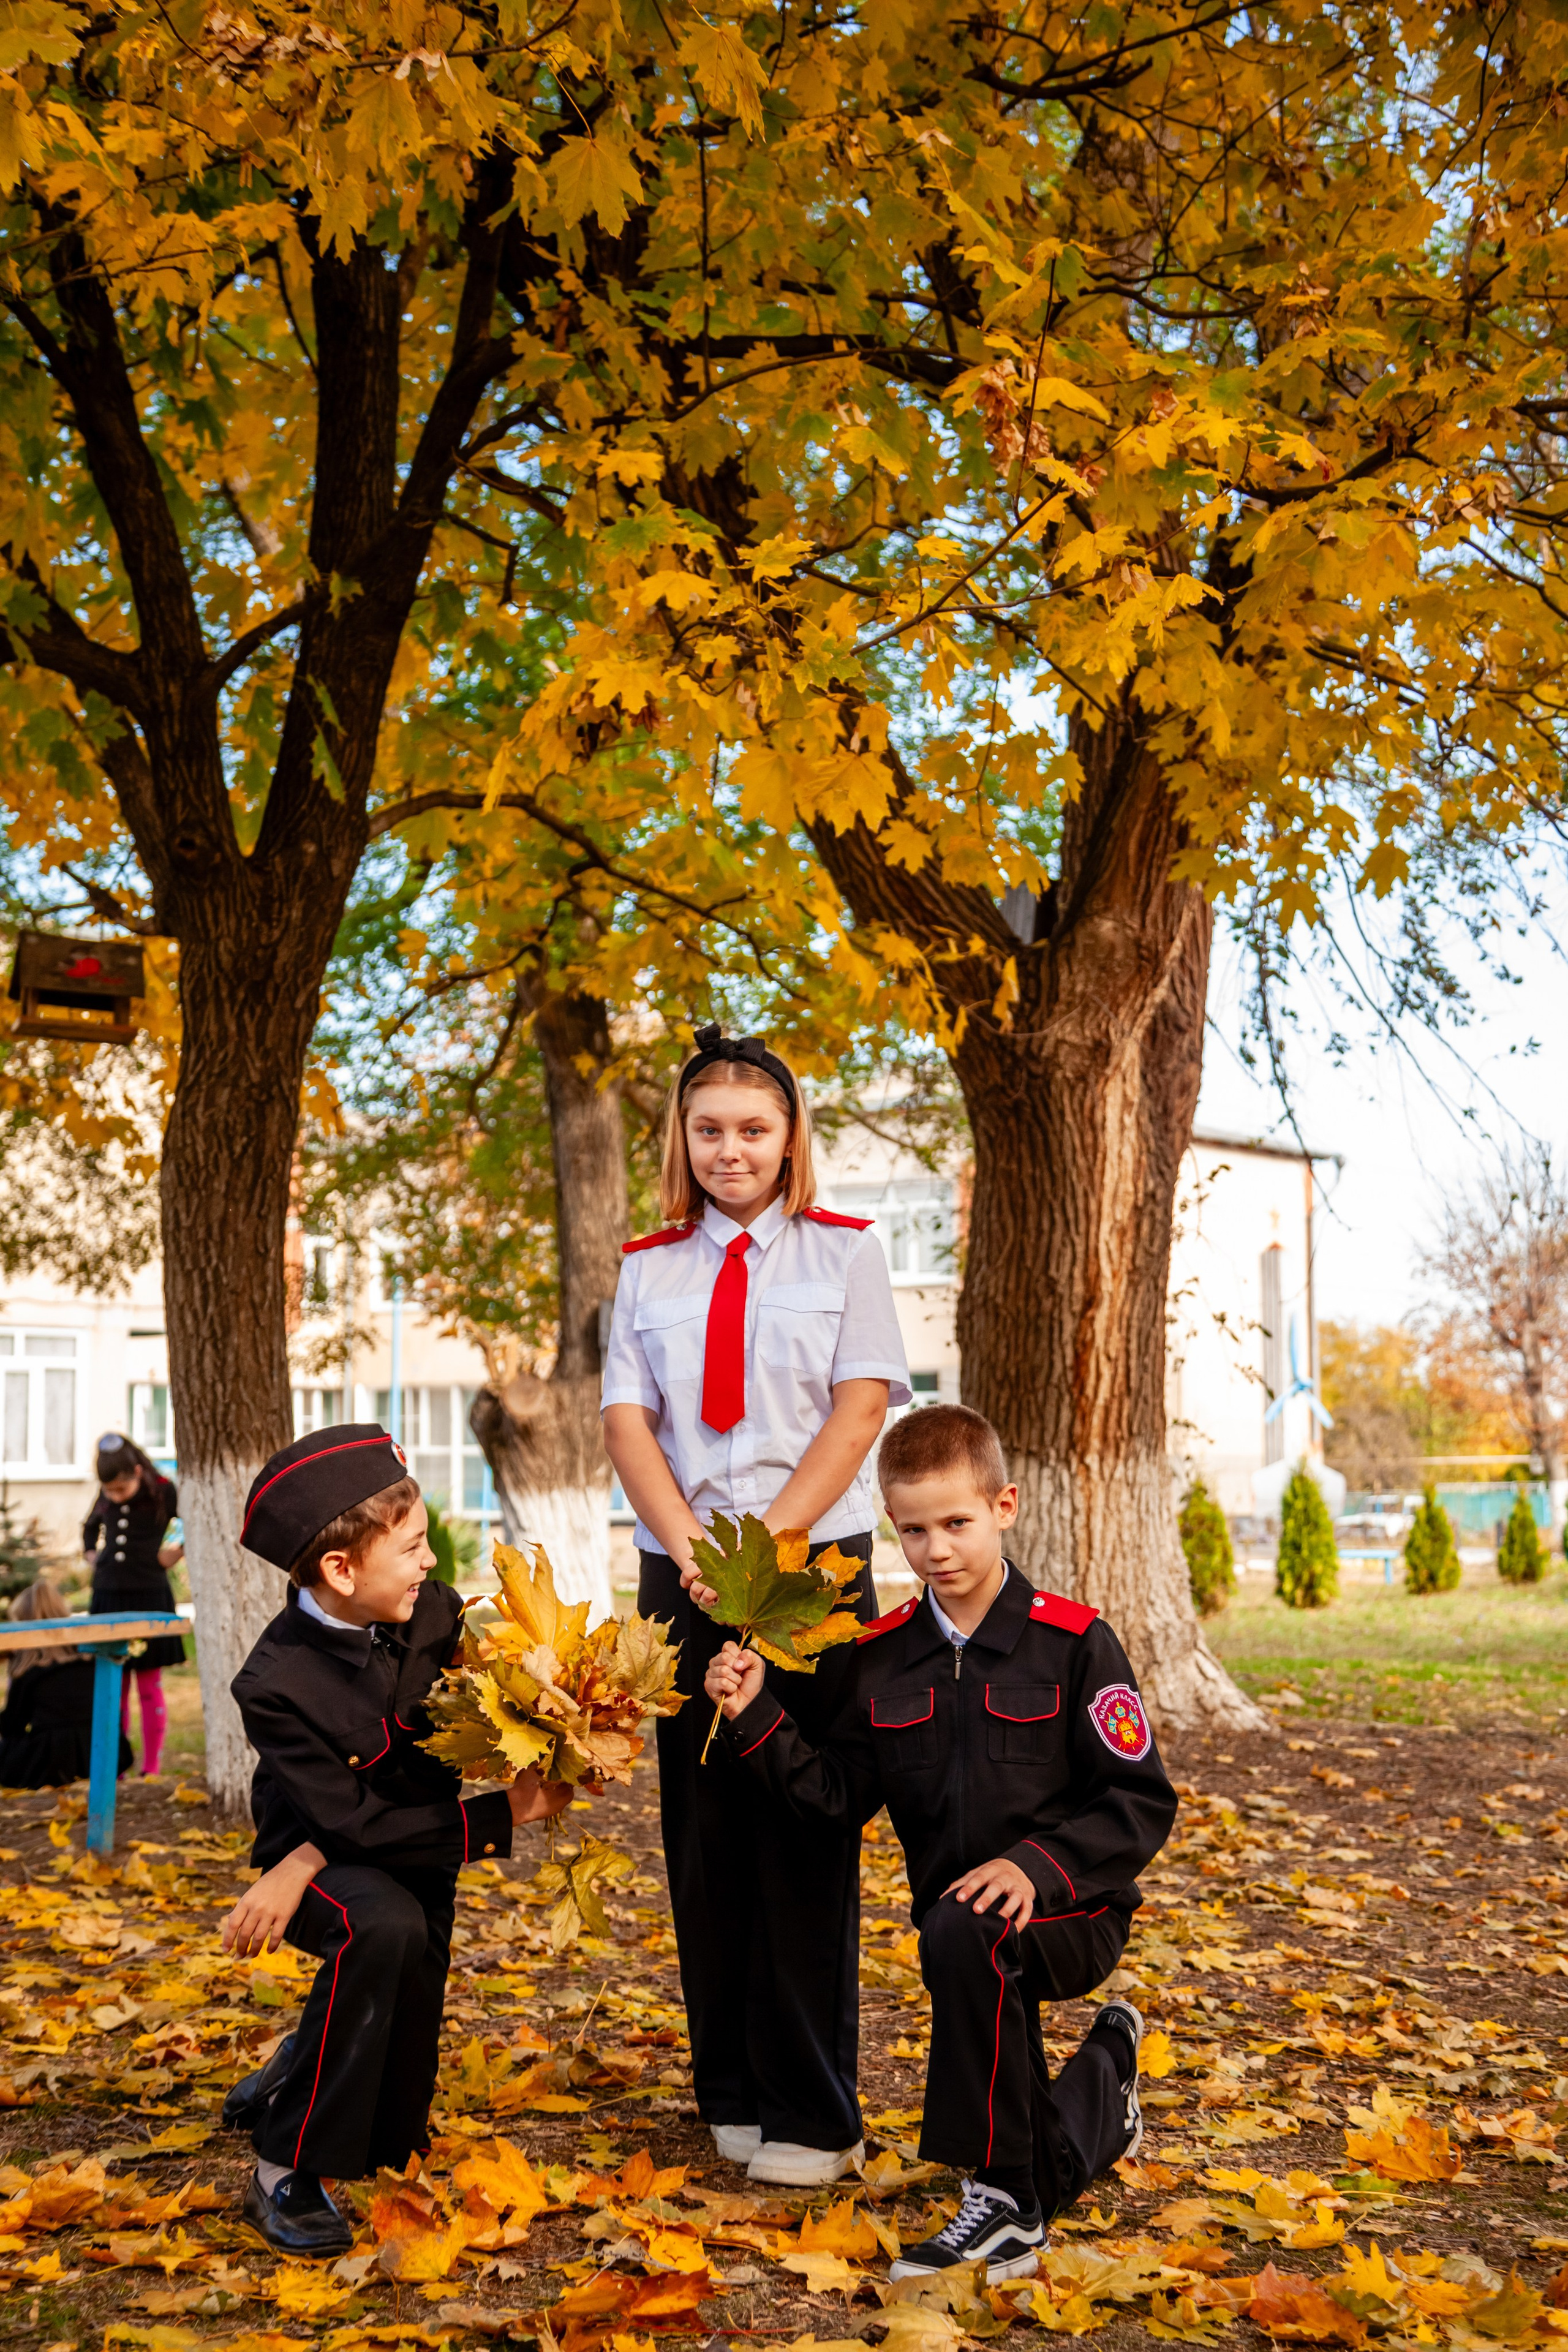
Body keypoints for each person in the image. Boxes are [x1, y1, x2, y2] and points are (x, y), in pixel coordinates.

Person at [704, 1403, 1178, 2278]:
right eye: (915, 1530)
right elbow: (835, 1799)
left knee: (970, 1926)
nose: (938, 1550)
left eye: (957, 1522)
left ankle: (999, 2198)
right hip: (960, 1930)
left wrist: (1038, 1868)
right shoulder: (883, 1657)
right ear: (894, 1530)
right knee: (963, 1928)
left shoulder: (1076, 1645)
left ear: (1004, 1506)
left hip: (1074, 1911)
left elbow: (1140, 1802)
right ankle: (1098, 2093)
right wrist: (755, 1715)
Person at [602, 1022, 911, 2188]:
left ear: (791, 1141)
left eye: (754, 1130)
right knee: (706, 1836)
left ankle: (814, 2111)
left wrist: (759, 1551)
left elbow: (860, 1409)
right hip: (680, 1573)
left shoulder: (846, 1254)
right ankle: (730, 2090)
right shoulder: (648, 1265)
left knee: (802, 1826)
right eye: (709, 1130)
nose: (731, 1150)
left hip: (807, 1574)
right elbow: (629, 1423)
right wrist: (692, 1553)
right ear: (683, 1139)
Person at [219, 1423, 569, 2258]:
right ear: (342, 1570)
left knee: (393, 2127)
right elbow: (346, 1822)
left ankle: (297, 2067)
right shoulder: (274, 1684)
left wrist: (539, 1681)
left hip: (411, 1840)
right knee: (381, 1927)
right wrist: (506, 1816)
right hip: (323, 1849)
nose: (428, 1563)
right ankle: (284, 2165)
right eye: (411, 1549)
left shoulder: (429, 1607)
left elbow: (481, 1687)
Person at [83, 1431, 185, 1777]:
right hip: (109, 1595)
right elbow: (90, 1526)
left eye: (119, 1490)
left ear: (137, 1473)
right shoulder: (107, 1491)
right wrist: (91, 1554)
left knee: (148, 1684)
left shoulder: (163, 1490)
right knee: (116, 1683)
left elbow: (191, 1521)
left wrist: (177, 1552)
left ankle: (152, 1766)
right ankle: (118, 1765)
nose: (113, 1496)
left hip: (149, 1593)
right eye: (108, 1490)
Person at [0, 1577, 134, 1788]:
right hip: (106, 1753)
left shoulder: (31, 1671)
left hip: (54, 1762)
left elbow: (11, 1725)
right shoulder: (92, 1659)